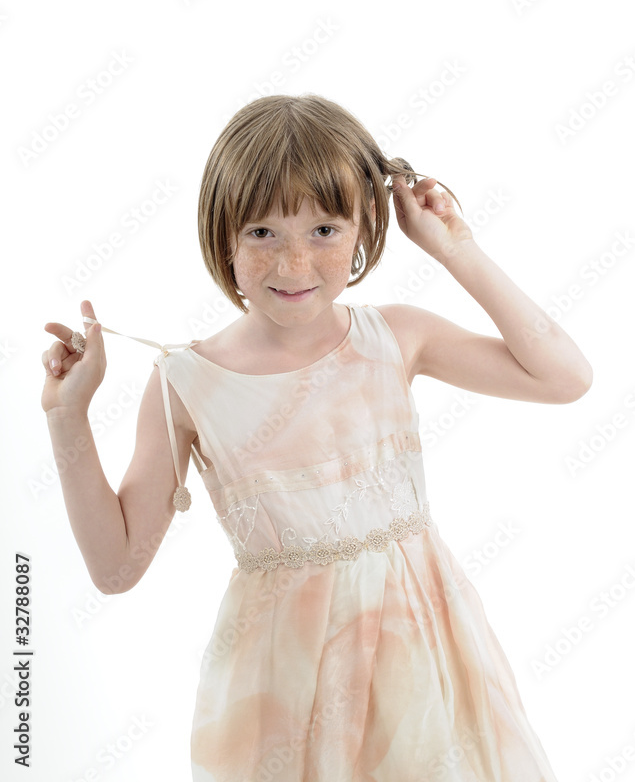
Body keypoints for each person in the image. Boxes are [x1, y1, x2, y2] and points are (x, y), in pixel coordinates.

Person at [42, 93, 592, 780]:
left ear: (365, 227)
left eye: (325, 229)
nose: (294, 263)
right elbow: (117, 569)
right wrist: (68, 417)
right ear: (222, 235)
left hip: (424, 667)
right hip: (285, 694)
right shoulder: (187, 383)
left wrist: (455, 248)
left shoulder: (397, 336)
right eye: (262, 233)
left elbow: (564, 377)